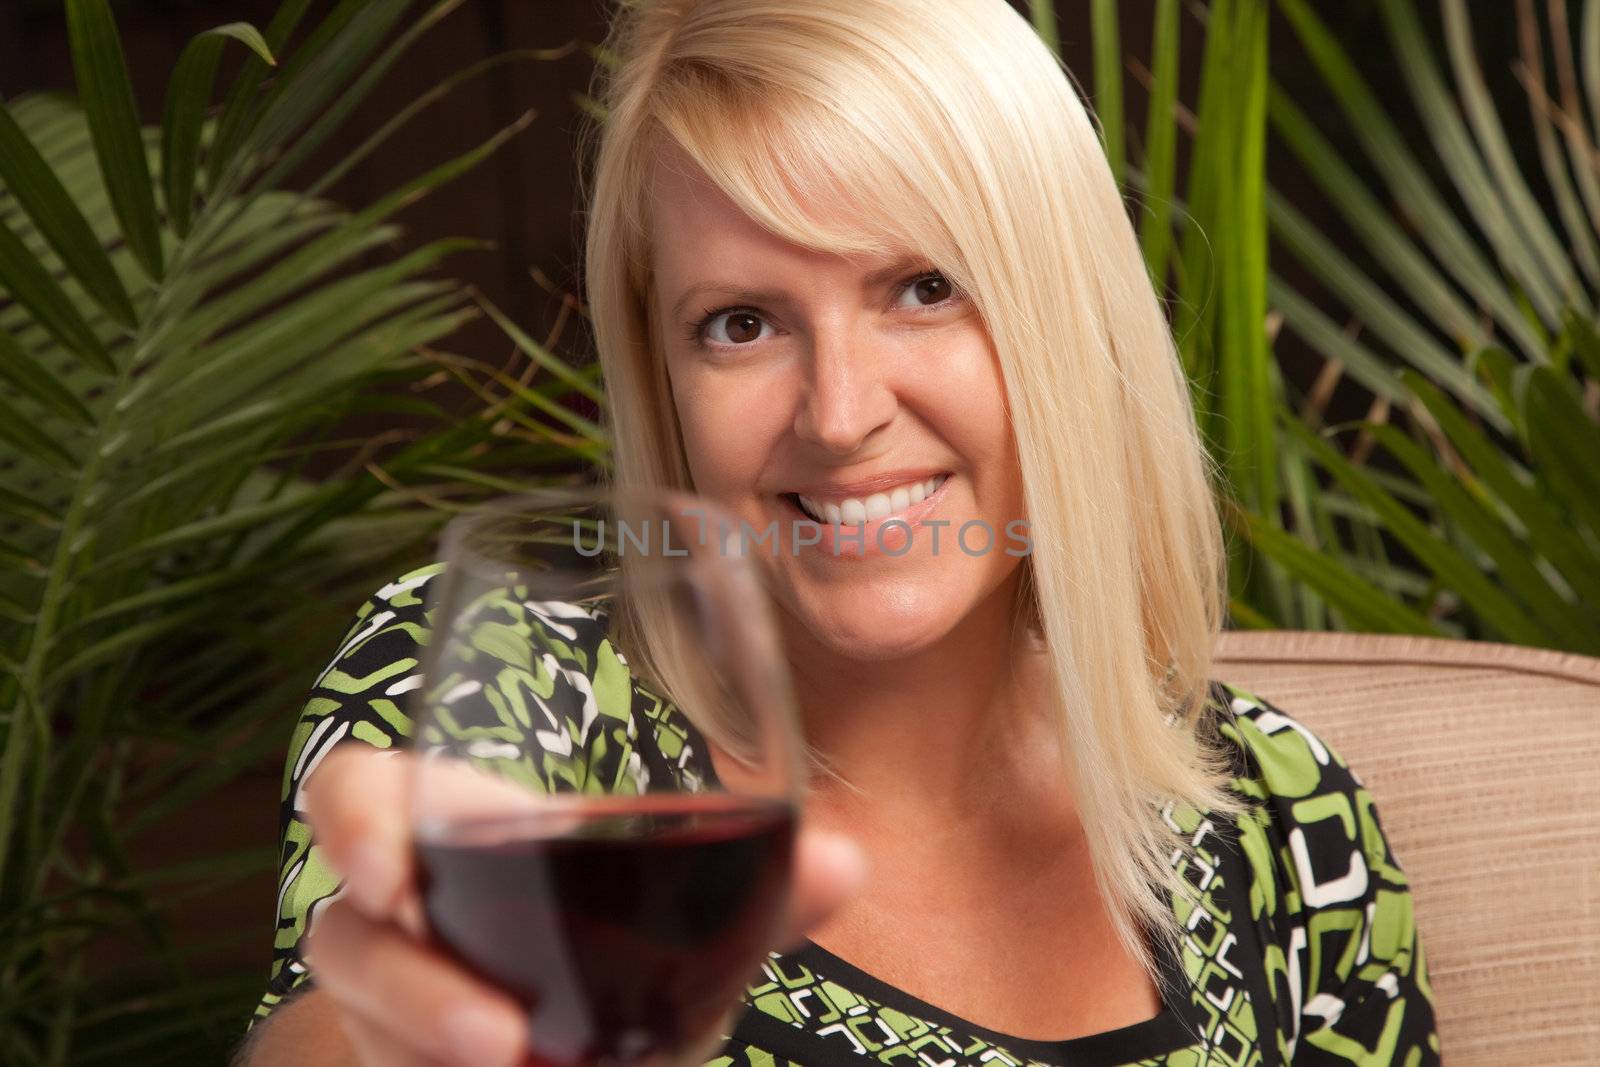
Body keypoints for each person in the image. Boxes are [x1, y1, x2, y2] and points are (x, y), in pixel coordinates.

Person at [237, 0, 1440, 1064]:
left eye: (924, 287)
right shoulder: (522, 684)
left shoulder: (1285, 816)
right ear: (662, 378)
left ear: (1064, 318)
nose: (842, 412)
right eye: (742, 322)